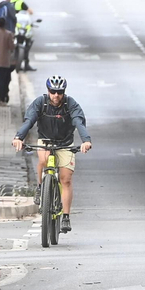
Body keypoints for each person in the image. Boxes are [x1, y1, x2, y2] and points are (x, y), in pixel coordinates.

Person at [13, 75, 92, 233]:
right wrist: (18, 137)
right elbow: (29, 121)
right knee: (43, 159)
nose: (56, 95)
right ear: (48, 90)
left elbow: (78, 122)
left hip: (65, 143)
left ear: (64, 92)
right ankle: (40, 187)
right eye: (53, 91)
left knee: (66, 179)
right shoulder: (40, 103)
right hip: (46, 141)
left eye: (59, 92)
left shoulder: (71, 104)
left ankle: (66, 217)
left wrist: (86, 140)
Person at [14, 5, 38, 72]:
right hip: (23, 34)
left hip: (19, 33)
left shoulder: (17, 15)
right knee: (27, 48)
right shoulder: (27, 16)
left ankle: (22, 64)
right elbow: (29, 25)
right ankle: (26, 64)